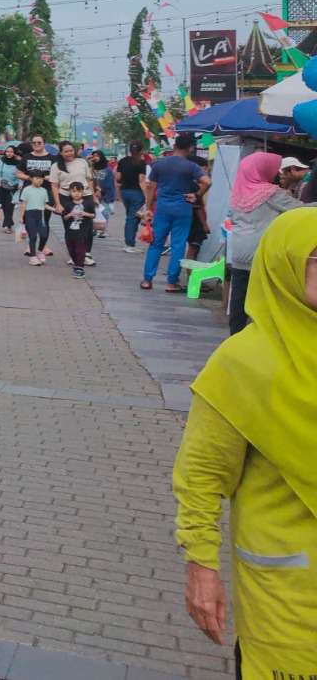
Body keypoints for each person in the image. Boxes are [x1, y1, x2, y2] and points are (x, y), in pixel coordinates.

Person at [171, 208, 317, 676]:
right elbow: (200, 478)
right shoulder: (243, 363)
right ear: (283, 264)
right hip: (289, 594)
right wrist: (202, 567)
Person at [224, 151, 307, 335]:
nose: (277, 172)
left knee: (239, 298)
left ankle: (235, 336)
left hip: (238, 251)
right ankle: (261, 337)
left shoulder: (237, 192)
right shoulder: (270, 193)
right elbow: (299, 210)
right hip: (261, 252)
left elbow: (232, 218)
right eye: (274, 169)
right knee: (263, 298)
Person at [141, 134, 210, 292]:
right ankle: (171, 283)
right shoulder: (191, 167)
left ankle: (147, 280)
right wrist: (197, 195)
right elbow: (207, 182)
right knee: (178, 245)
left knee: (156, 243)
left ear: (174, 146)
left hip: (162, 208)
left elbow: (151, 187)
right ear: (190, 148)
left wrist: (149, 208)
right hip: (183, 208)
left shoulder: (159, 164)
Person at [49, 141, 96, 268]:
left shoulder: (82, 162)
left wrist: (94, 196)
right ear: (61, 153)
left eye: (71, 150)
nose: (69, 153)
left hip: (85, 195)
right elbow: (54, 186)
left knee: (87, 226)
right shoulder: (56, 166)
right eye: (66, 151)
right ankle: (74, 254)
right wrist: (58, 204)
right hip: (66, 197)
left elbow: (89, 180)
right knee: (70, 227)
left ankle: (86, 254)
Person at [116, 140, 150, 253]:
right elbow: (141, 181)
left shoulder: (122, 161)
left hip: (125, 191)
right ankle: (129, 244)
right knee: (133, 218)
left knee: (130, 217)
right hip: (137, 193)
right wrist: (146, 196)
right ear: (141, 150)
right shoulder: (141, 163)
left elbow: (118, 177)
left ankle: (129, 242)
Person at [61, 181, 97, 278]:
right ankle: (77, 265)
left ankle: (80, 268)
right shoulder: (68, 204)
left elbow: (93, 215)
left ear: (82, 192)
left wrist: (85, 214)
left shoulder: (88, 203)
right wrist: (70, 214)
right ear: (70, 192)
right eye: (74, 191)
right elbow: (64, 217)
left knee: (80, 249)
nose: (76, 194)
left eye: (79, 191)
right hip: (70, 232)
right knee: (71, 249)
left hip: (82, 231)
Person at [0, 144, 20, 234]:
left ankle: (7, 225)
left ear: (14, 153)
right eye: (7, 151)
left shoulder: (18, 163)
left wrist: (18, 183)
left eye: (11, 152)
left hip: (13, 188)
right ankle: (9, 223)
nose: (9, 153)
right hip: (2, 187)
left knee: (9, 206)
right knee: (4, 207)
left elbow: (20, 174)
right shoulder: (1, 161)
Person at [90, 149, 116, 239]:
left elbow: (110, 184)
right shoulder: (91, 169)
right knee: (93, 212)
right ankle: (93, 229)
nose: (95, 158)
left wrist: (102, 192)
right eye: (94, 156)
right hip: (93, 194)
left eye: (97, 156)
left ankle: (102, 231)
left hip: (105, 195)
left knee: (104, 212)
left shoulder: (107, 170)